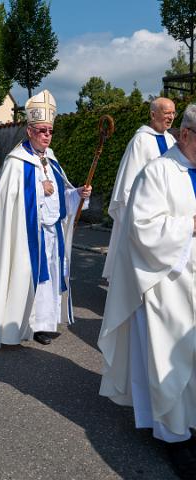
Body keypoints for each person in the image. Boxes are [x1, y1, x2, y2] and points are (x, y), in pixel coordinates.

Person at [98, 104, 196, 479]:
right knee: (172, 360)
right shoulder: (158, 173)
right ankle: (174, 436)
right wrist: (190, 225)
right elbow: (142, 228)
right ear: (185, 136)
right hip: (166, 283)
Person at [0, 89, 92, 348]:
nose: (47, 135)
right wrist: (39, 187)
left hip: (51, 231)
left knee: (49, 278)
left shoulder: (51, 158)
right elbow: (12, 202)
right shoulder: (16, 161)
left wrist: (77, 193)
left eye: (50, 131)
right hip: (25, 234)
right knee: (29, 278)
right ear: (30, 131)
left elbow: (60, 193)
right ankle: (23, 324)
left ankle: (43, 323)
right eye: (42, 130)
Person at [103, 97, 176, 280]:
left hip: (165, 214)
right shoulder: (140, 141)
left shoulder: (171, 140)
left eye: (174, 113)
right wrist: (132, 217)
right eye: (167, 113)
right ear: (153, 114)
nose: (171, 117)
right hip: (144, 214)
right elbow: (129, 182)